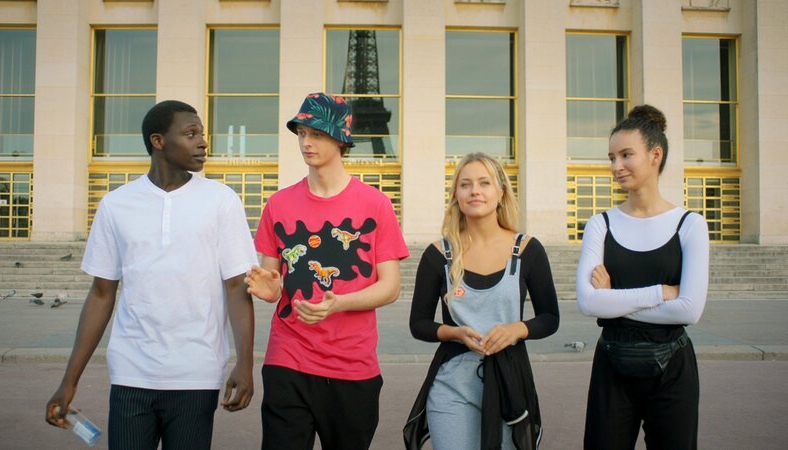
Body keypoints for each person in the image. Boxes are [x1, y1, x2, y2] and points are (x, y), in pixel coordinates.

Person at [45, 100, 258, 449]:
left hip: (196, 374)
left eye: (202, 134)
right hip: (132, 374)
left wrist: (245, 364)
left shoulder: (222, 201)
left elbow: (237, 287)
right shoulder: (116, 204)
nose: (202, 142)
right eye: (191, 134)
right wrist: (69, 381)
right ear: (158, 141)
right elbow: (101, 294)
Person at [246, 92, 409, 450]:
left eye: (317, 134)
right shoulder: (278, 204)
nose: (306, 142)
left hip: (352, 365)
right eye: (302, 133)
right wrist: (268, 288)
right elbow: (275, 283)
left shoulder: (375, 204)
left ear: (341, 139)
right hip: (288, 356)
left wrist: (338, 303)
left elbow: (391, 287)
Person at [403, 152, 560, 450]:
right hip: (452, 383)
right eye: (465, 184)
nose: (475, 190)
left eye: (484, 183)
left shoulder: (527, 249)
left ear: (500, 192)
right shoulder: (439, 254)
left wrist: (517, 329)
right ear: (456, 196)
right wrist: (455, 333)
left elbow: (550, 317)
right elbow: (418, 324)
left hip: (509, 382)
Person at [576, 105, 709, 450]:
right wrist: (661, 293)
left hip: (673, 370)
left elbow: (689, 311)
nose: (615, 167)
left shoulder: (690, 225)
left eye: (625, 155)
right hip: (612, 366)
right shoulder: (600, 224)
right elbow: (588, 302)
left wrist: (613, 304)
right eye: (611, 157)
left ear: (655, 155)